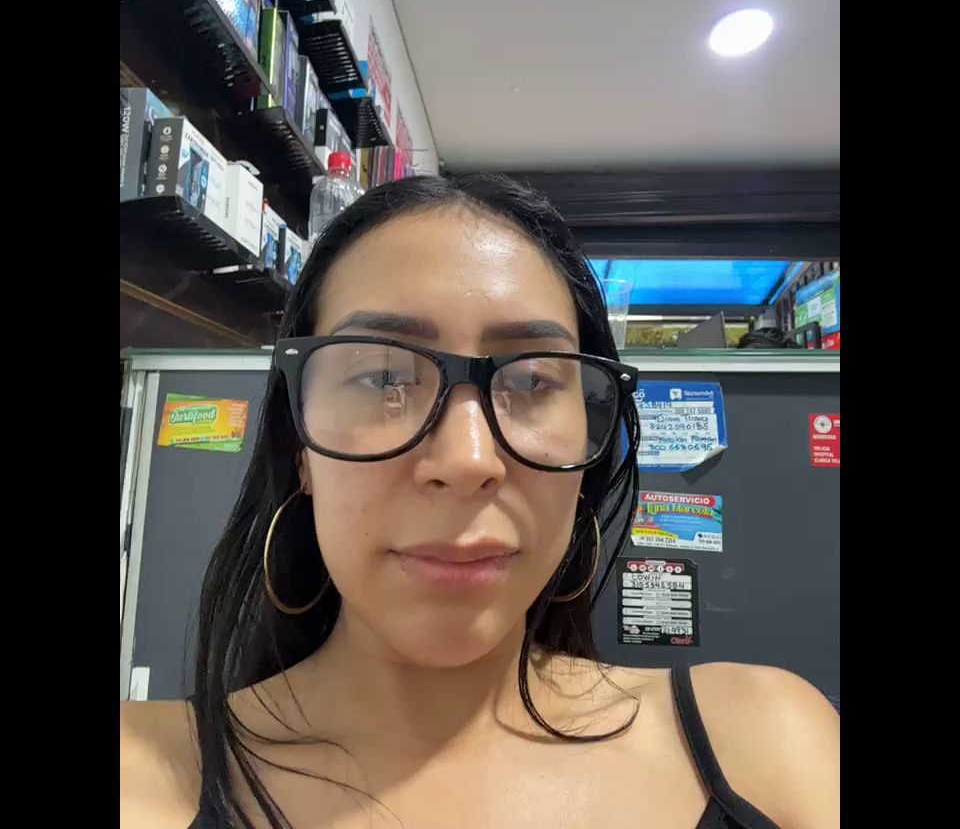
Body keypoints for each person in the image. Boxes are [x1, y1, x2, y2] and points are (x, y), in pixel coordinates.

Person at [120, 175, 839, 829]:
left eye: (532, 383)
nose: (468, 461)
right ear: (300, 445)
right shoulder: (141, 777)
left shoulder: (770, 745)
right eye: (383, 377)